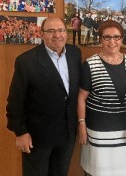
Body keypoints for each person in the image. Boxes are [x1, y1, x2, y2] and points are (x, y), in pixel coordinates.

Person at [6, 17, 82, 176]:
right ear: (42, 34)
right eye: (51, 31)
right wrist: (20, 132)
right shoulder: (26, 61)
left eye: (61, 30)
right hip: (37, 136)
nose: (57, 35)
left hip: (67, 133)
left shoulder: (75, 54)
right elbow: (15, 101)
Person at [77, 19, 126, 176]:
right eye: (107, 37)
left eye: (116, 37)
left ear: (122, 39)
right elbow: (81, 98)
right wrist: (82, 125)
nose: (112, 41)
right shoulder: (90, 64)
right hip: (98, 133)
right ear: (100, 40)